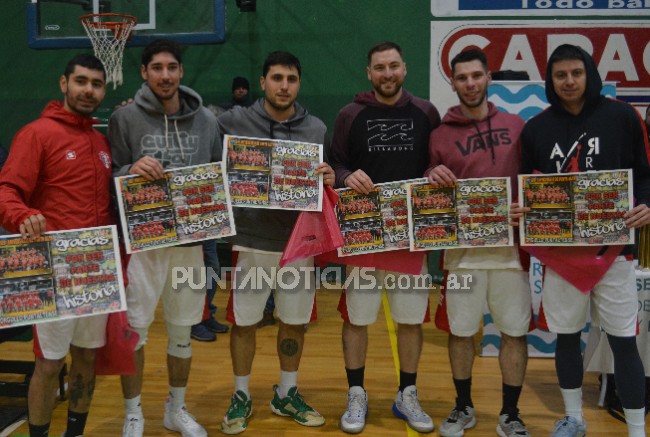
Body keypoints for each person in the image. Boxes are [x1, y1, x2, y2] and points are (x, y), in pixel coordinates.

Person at [512, 44, 650, 437]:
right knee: (567, 337)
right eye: (560, 75)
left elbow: (645, 173)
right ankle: (574, 418)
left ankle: (638, 430)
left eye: (576, 72)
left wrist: (646, 204)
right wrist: (524, 208)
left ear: (589, 73)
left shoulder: (622, 117)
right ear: (550, 82)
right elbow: (529, 185)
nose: (569, 81)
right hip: (561, 256)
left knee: (624, 343)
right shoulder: (536, 128)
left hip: (615, 253)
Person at [216, 50, 335, 435]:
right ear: (264, 81)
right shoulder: (233, 121)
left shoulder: (315, 128)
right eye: (277, 78)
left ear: (299, 84)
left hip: (298, 242)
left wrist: (328, 175)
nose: (284, 85)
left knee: (294, 322)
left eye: (292, 79)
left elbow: (324, 179)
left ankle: (286, 393)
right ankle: (241, 395)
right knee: (245, 322)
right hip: (251, 240)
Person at [109, 39, 222, 437]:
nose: (165, 75)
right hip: (143, 246)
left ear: (181, 72)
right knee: (136, 331)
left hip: (189, 244)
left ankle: (176, 409)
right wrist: (129, 169)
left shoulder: (208, 120)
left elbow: (215, 178)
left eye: (172, 67)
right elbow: (111, 177)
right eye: (157, 68)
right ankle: (133, 413)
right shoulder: (124, 119)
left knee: (182, 329)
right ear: (144, 72)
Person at [329, 41, 441, 434]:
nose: (387, 73)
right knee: (357, 319)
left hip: (411, 237)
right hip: (363, 235)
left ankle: (406, 394)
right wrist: (346, 176)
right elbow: (335, 164)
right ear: (369, 73)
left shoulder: (427, 112)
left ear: (405, 69)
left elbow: (437, 164)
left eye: (393, 66)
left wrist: (435, 174)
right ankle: (356, 393)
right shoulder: (349, 114)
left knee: (410, 321)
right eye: (380, 67)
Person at [0, 54, 112, 437]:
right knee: (48, 363)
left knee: (85, 358)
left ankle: (75, 433)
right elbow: (7, 190)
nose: (88, 90)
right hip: (54, 269)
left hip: (96, 268)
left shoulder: (100, 141)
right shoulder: (37, 133)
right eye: (81, 81)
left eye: (96, 84)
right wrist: (20, 216)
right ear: (64, 84)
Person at [426, 49, 531, 437]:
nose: (469, 83)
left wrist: (528, 205)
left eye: (476, 76)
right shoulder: (439, 135)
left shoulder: (518, 125)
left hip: (510, 253)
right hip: (462, 255)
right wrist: (430, 172)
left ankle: (510, 413)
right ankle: (463, 406)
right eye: (461, 77)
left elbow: (535, 180)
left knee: (514, 333)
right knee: (461, 332)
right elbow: (430, 192)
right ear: (452, 82)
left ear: (488, 78)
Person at [190, 240, 230, 342]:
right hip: (187, 232)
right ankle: (193, 321)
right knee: (194, 274)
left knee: (212, 269)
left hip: (207, 231)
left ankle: (206, 315)